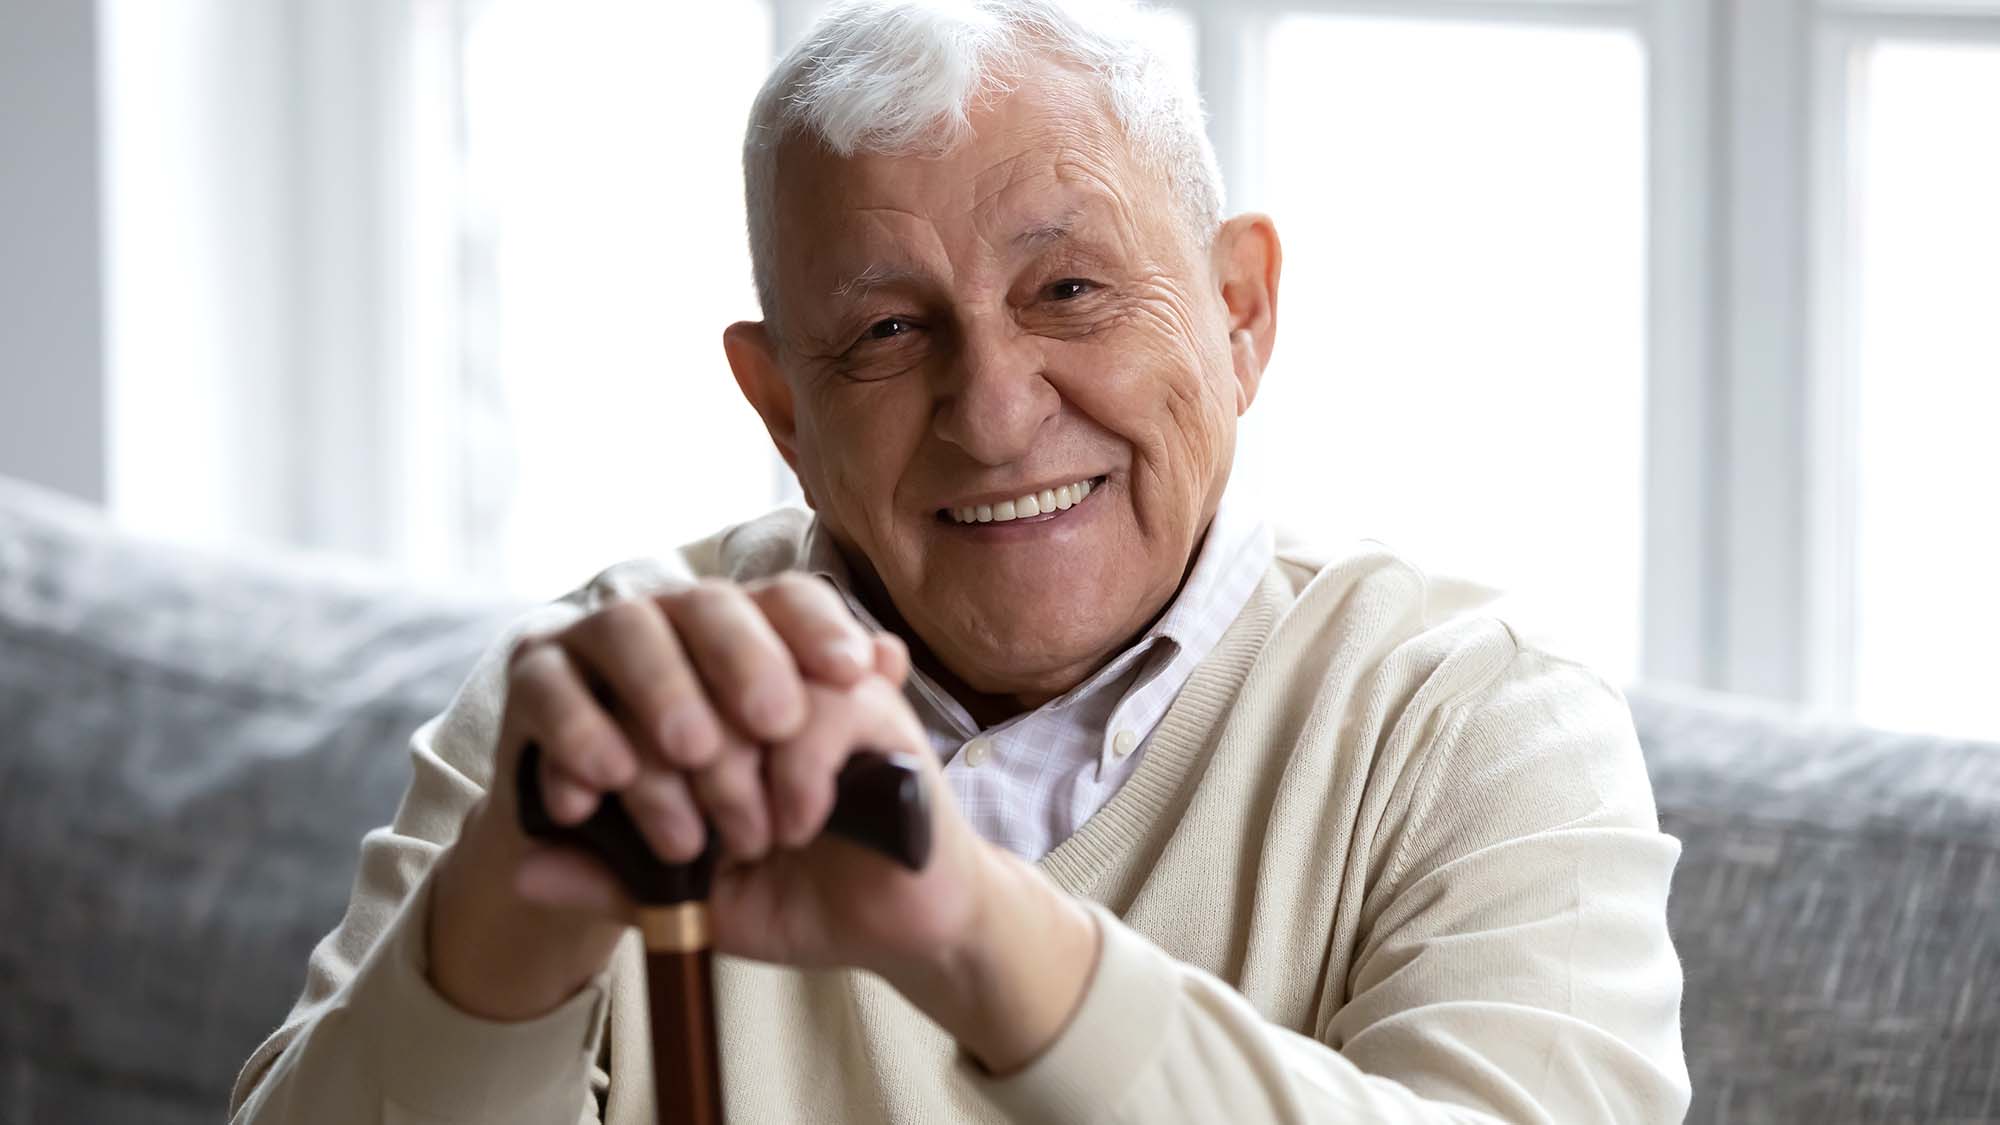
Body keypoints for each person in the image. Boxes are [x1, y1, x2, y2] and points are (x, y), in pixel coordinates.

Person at [230, 1, 1689, 1121]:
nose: (993, 412)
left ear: (1240, 312)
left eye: (1070, 288)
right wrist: (508, 920)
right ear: (783, 408)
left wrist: (976, 931)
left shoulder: (1477, 723)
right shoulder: (622, 691)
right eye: (884, 332)